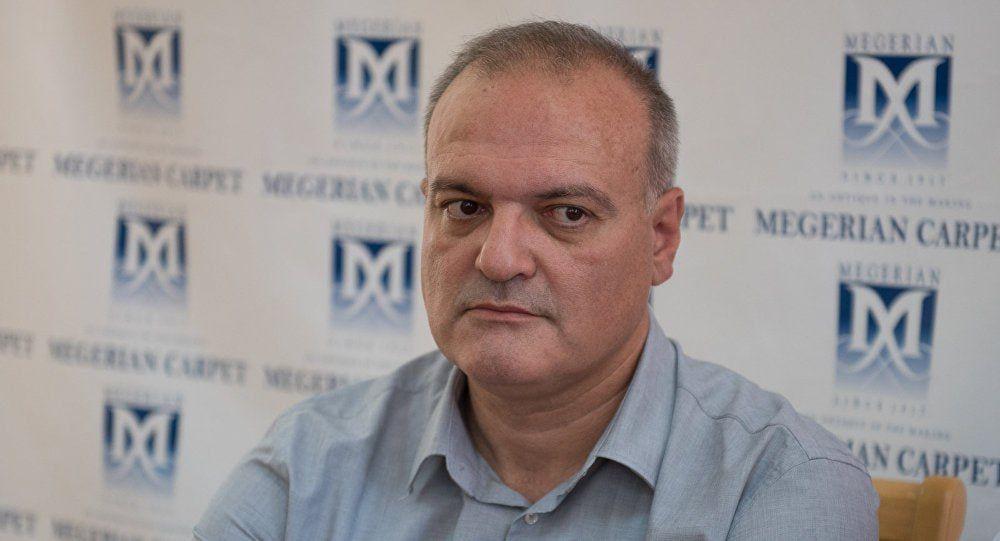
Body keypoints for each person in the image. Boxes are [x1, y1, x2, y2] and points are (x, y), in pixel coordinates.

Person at [195, 21, 878, 540]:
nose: (499, 259)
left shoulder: (778, 485)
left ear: (660, 237)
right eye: (465, 207)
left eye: (567, 214)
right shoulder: (311, 461)